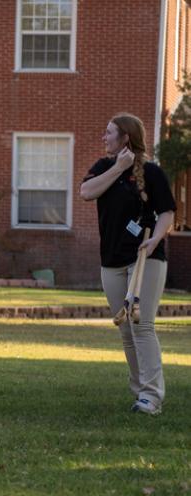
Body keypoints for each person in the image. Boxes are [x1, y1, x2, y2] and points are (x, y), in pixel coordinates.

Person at [81, 113, 176, 415]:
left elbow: (167, 213)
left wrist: (156, 239)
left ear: (125, 138)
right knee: (125, 330)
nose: (103, 137)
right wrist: (119, 168)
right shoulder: (103, 168)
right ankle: (140, 392)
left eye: (109, 133)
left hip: (145, 257)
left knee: (141, 325)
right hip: (111, 260)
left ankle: (151, 396)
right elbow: (86, 192)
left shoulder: (152, 173)